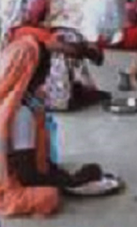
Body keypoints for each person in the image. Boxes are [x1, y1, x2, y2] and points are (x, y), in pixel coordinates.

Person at [0, 35, 103, 217]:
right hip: (7, 180)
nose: (49, 71)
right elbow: (28, 176)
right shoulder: (20, 113)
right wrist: (71, 181)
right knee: (48, 197)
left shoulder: (10, 94)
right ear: (32, 72)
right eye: (47, 66)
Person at [2, 0, 106, 111]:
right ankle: (56, 97)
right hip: (35, 91)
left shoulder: (13, 32)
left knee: (65, 35)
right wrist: (88, 50)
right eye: (40, 9)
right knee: (66, 39)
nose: (45, 13)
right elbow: (68, 49)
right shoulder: (28, 33)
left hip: (23, 88)